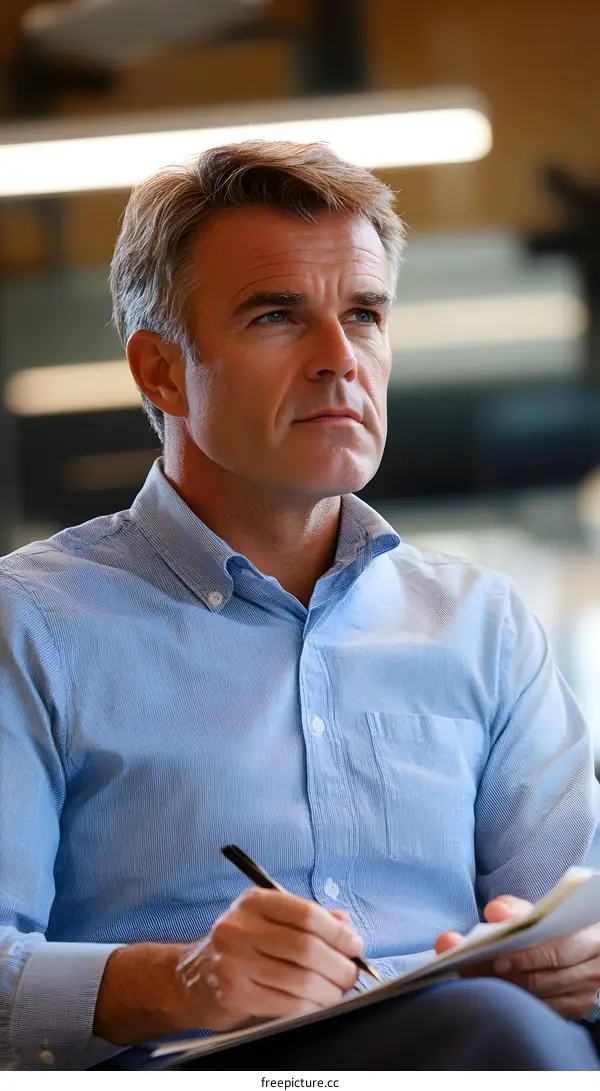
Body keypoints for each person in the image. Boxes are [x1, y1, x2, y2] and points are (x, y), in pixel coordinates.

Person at [1, 140, 600, 1073]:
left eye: (363, 314)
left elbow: (577, 902)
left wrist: (575, 960)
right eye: (277, 315)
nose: (339, 359)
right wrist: (179, 980)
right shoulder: (29, 624)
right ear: (162, 373)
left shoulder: (482, 623)